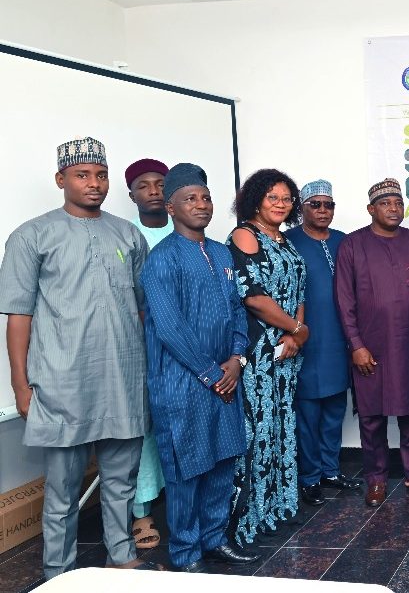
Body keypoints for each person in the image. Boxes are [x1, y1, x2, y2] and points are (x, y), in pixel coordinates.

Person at [0, 137, 161, 578]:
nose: (94, 183)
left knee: (121, 480)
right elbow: (19, 316)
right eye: (82, 175)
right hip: (63, 380)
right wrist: (20, 384)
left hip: (124, 375)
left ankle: (121, 554)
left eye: (101, 175)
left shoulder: (128, 234)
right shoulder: (31, 236)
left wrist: (149, 371)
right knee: (63, 488)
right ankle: (58, 571)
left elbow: (143, 308)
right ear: (61, 179)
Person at [141, 163, 261, 573]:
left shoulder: (222, 253)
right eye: (190, 198)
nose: (201, 204)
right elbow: (169, 327)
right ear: (171, 207)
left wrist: (237, 360)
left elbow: (237, 310)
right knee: (187, 470)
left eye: (206, 197)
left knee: (223, 461)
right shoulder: (162, 259)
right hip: (182, 384)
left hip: (226, 379)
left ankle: (214, 539)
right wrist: (213, 374)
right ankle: (186, 554)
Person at [334, 178, 409, 506]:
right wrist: (356, 345)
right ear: (371, 209)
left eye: (398, 203)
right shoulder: (352, 245)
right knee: (371, 418)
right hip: (370, 346)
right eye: (385, 204)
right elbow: (344, 300)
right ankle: (376, 479)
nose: (393, 209)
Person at [227, 168, 308, 543]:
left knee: (280, 425)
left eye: (287, 198)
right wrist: (296, 329)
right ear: (256, 199)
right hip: (259, 351)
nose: (280, 203)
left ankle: (278, 506)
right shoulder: (245, 235)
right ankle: (250, 515)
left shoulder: (285, 240)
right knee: (258, 431)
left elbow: (299, 290)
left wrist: (296, 334)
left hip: (287, 352)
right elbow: (253, 297)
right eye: (272, 197)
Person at [284, 180, 361, 507]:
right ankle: (310, 477)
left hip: (340, 340)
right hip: (306, 339)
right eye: (315, 204)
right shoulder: (288, 241)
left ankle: (331, 470)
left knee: (334, 410)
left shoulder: (344, 241)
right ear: (301, 207)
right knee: (308, 413)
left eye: (328, 205)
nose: (322, 210)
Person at [124, 157, 171, 551]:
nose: (154, 191)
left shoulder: (189, 229)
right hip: (141, 348)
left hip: (187, 351)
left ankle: (184, 499)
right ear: (132, 195)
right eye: (144, 185)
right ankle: (141, 512)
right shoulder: (124, 236)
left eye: (161, 183)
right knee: (145, 430)